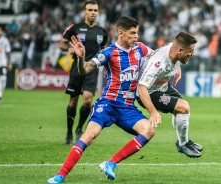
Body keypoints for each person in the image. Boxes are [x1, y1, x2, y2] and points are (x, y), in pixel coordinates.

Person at [47, 16, 155, 183]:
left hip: (127, 107)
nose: (136, 36)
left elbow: (158, 59)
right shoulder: (109, 53)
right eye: (132, 33)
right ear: (121, 33)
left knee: (149, 130)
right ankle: (60, 175)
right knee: (90, 135)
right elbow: (84, 70)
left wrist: (174, 67)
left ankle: (110, 163)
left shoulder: (140, 48)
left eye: (137, 33)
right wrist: (81, 57)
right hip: (107, 103)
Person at [137, 32, 203, 158]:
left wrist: (177, 68)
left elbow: (174, 53)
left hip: (163, 86)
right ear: (180, 50)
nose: (192, 54)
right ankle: (183, 144)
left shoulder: (173, 49)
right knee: (183, 107)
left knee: (182, 111)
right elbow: (142, 87)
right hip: (149, 93)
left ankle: (183, 142)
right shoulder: (158, 64)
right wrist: (153, 112)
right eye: (190, 51)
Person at [59, 0, 108, 144]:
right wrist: (70, 49)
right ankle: (69, 132)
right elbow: (62, 43)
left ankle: (79, 129)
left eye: (95, 10)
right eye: (90, 10)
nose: (93, 13)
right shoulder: (75, 28)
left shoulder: (102, 31)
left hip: (92, 69)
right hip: (76, 68)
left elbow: (104, 51)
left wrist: (106, 66)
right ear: (84, 12)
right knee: (73, 101)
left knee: (87, 100)